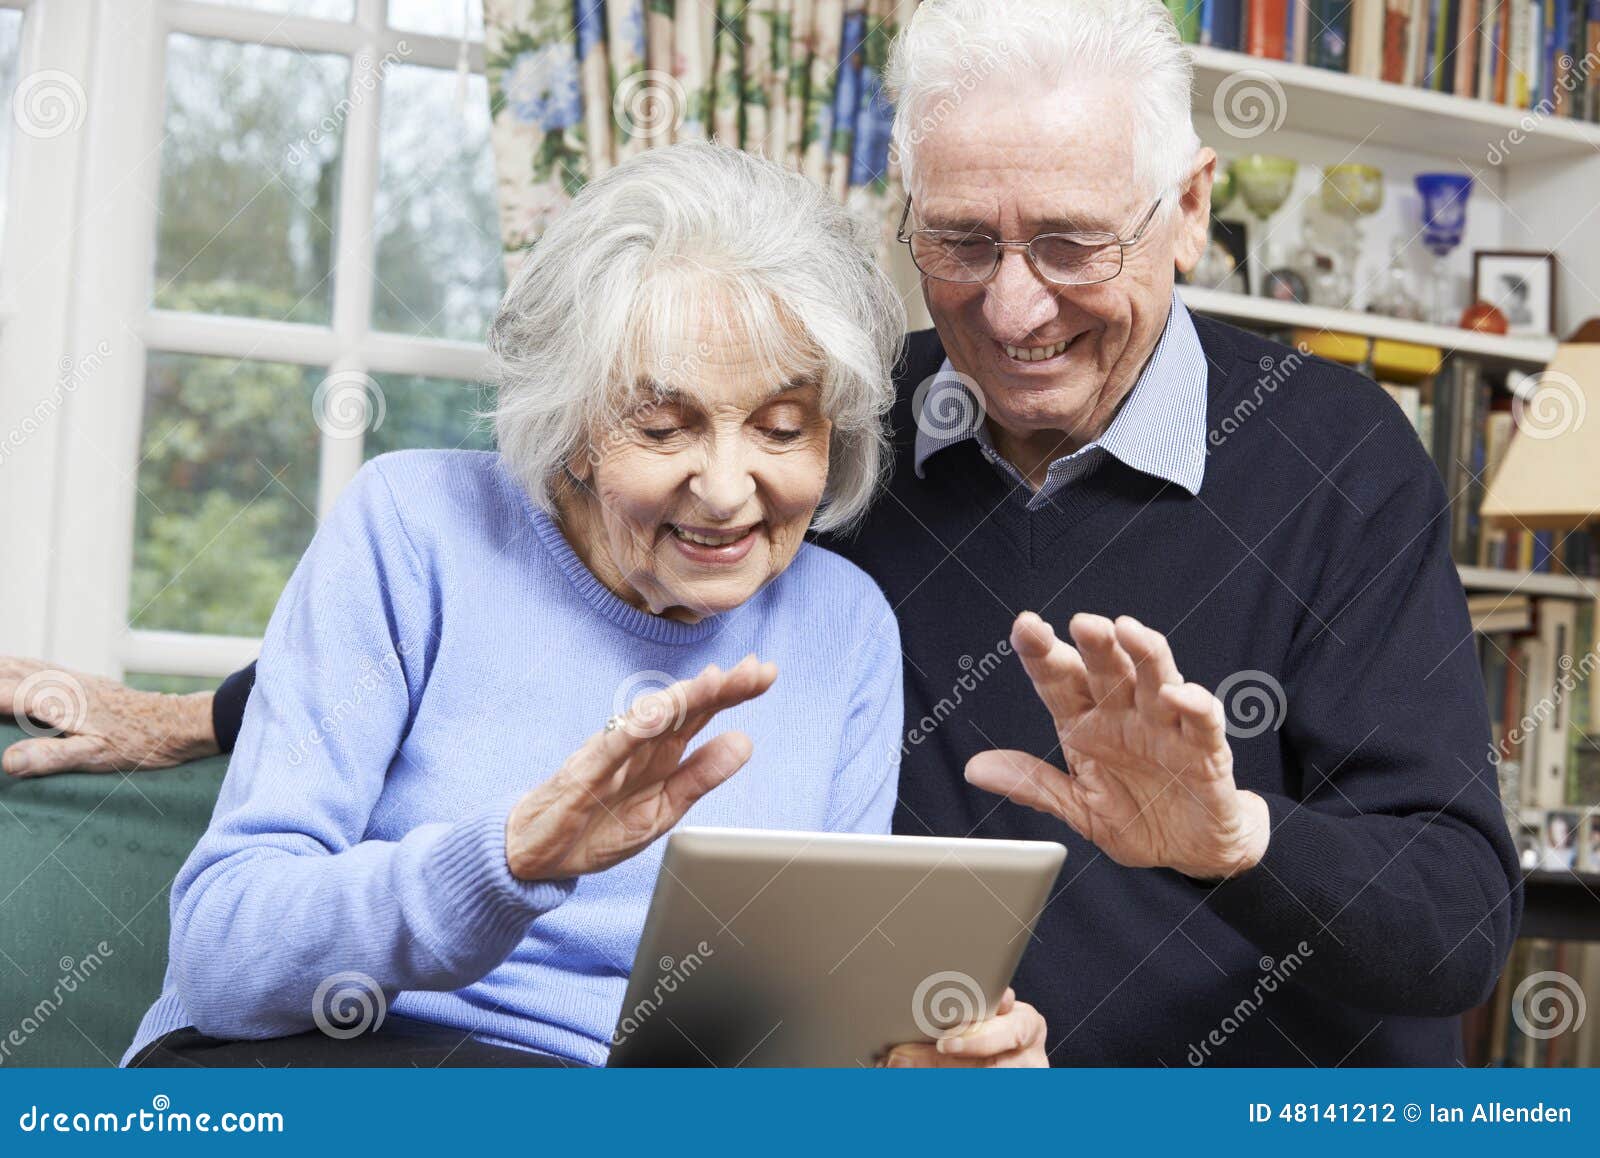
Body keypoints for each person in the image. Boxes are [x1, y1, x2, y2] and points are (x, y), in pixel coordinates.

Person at [6, 0, 1519, 1066]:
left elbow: (1456, 928)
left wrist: (1230, 839)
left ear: (1187, 211)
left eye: (1070, 241)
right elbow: (521, 627)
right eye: (959, 241)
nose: (1009, 306)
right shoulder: (831, 419)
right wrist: (186, 717)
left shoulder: (1329, 463)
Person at [97, 142, 1047, 1068]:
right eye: (664, 426)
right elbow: (223, 950)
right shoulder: (414, 527)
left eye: (780, 428)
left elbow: (809, 1033)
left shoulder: (845, 627)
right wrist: (506, 862)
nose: (725, 487)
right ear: (573, 431)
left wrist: (903, 1067)